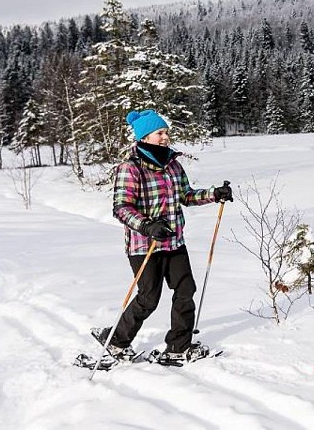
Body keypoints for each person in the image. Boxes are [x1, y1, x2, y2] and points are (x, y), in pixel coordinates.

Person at [93, 109, 233, 365]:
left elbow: (186, 196)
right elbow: (121, 207)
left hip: (174, 242)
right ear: (145, 136)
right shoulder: (130, 168)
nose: (165, 137)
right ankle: (116, 342)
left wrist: (215, 194)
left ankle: (178, 346)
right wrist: (147, 226)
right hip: (144, 244)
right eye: (160, 133)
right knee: (148, 298)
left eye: (166, 132)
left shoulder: (173, 165)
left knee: (185, 290)